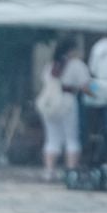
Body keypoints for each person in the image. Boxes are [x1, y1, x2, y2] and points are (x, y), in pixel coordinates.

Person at [37, 36, 90, 181]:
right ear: (72, 50)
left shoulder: (51, 65)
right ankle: (71, 171)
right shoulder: (76, 65)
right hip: (67, 101)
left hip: (49, 102)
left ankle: (49, 171)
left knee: (52, 139)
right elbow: (86, 85)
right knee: (71, 138)